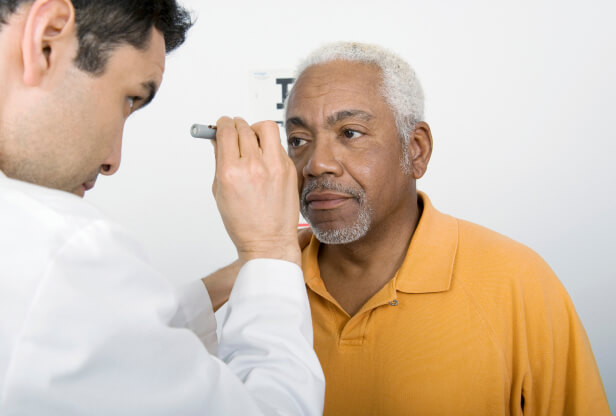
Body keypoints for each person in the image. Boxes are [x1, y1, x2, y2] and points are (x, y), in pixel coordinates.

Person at [0, 1, 324, 415]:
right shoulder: (60, 254)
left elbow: (110, 343)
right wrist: (270, 251)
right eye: (128, 99)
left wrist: (245, 274)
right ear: (47, 40)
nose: (112, 161)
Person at [280, 42, 609, 415]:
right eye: (298, 141)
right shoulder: (268, 284)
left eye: (350, 133)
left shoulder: (517, 280)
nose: (316, 164)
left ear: (416, 150)